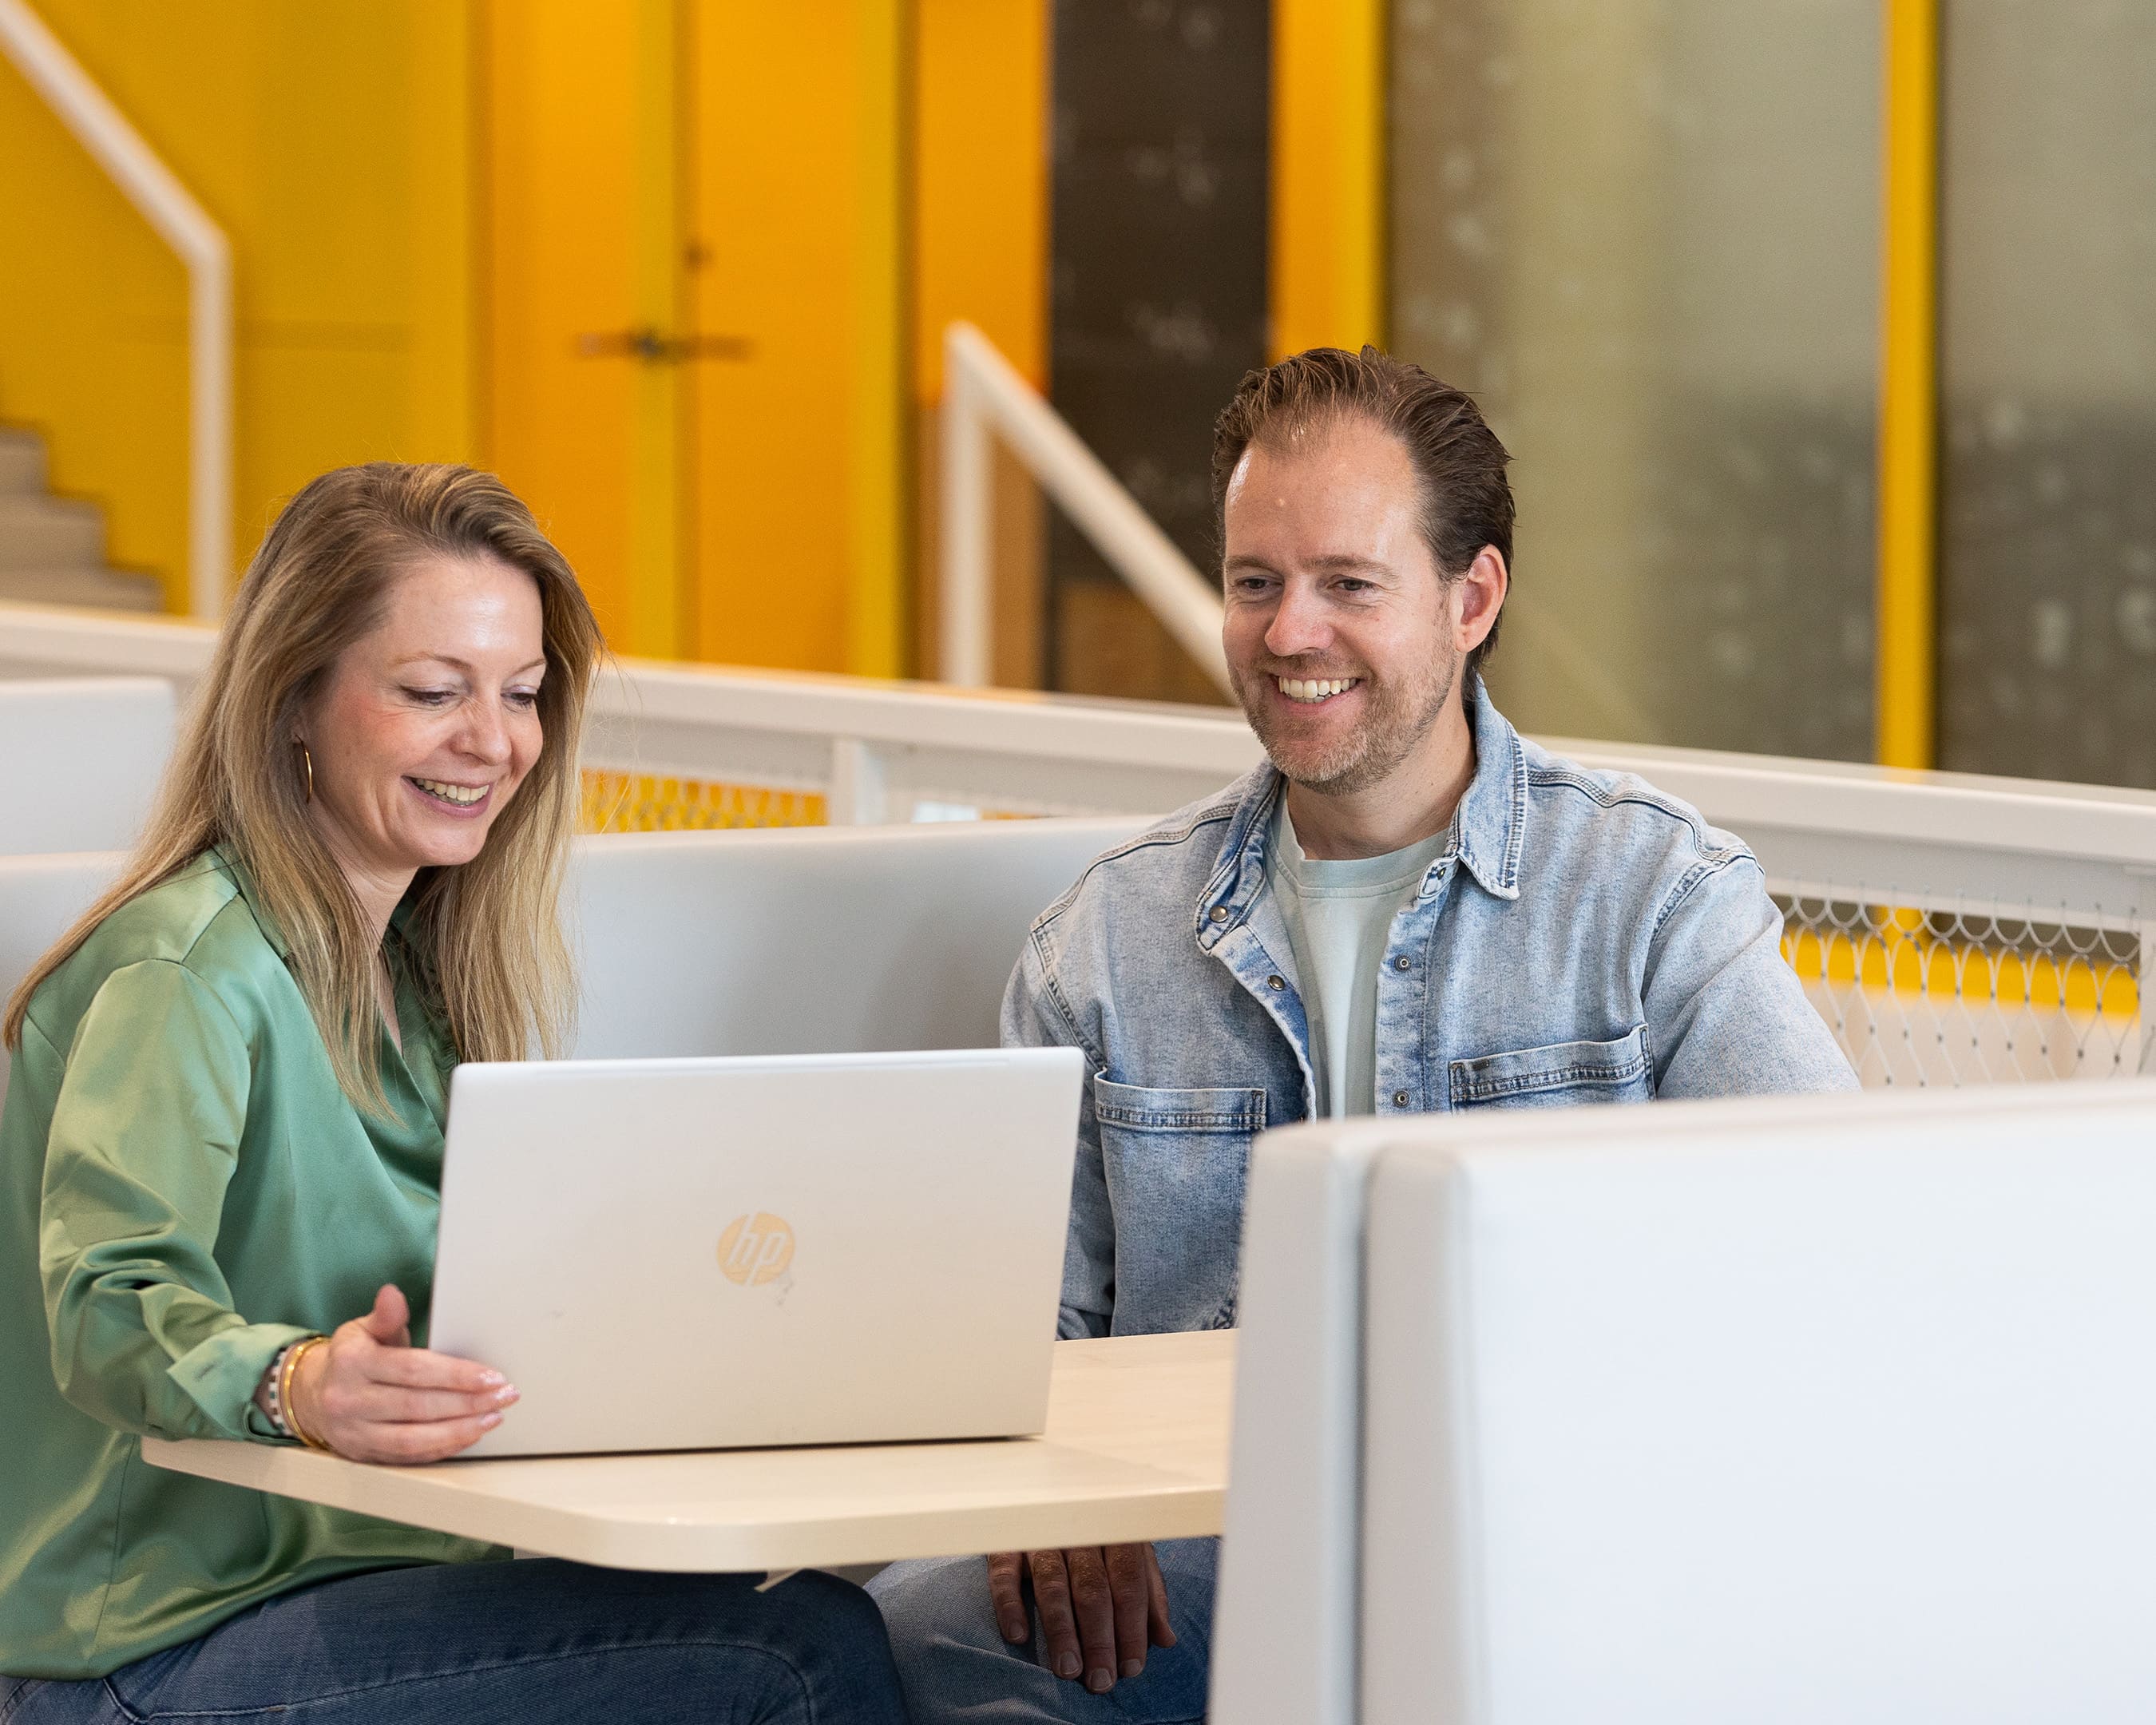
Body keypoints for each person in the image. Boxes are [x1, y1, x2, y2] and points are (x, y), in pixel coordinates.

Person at [870, 347, 1859, 1722]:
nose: (1289, 635)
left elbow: (1832, 1254)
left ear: (1473, 598)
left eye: (1348, 584)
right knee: (878, 1649)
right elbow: (1015, 1322)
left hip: (1557, 1538)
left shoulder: (1653, 898)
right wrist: (1052, 1490)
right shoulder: (1105, 939)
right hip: (1197, 1549)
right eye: (1256, 583)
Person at [0, 465, 906, 1723]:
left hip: (362, 1591)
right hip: (138, 1657)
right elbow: (105, 1303)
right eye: (434, 692)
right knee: (796, 1651)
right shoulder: (189, 973)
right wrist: (297, 1383)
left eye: (522, 695)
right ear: (296, 701)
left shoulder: (421, 983)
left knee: (822, 1624)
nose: (494, 742)